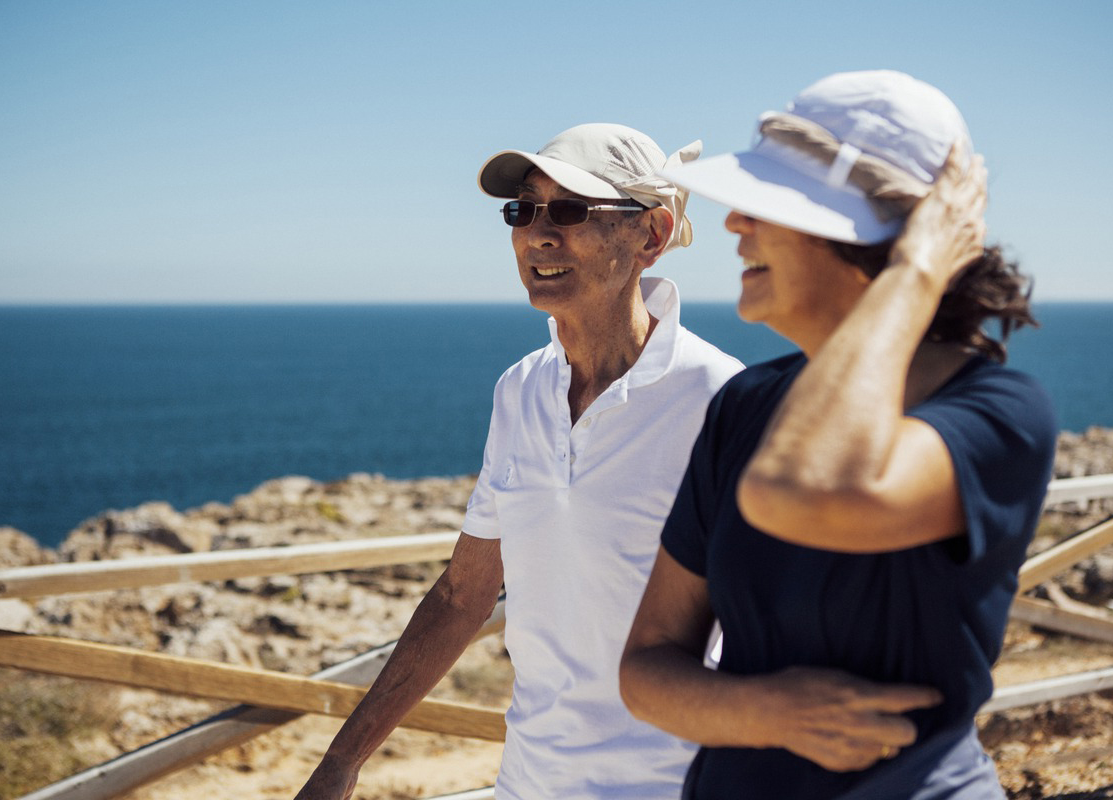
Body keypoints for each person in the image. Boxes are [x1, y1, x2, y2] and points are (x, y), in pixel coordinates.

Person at [620, 70, 1058, 799]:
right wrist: (771, 712)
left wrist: (918, 267)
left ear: (878, 242)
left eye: (770, 207)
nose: (733, 224)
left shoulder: (1000, 411)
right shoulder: (747, 404)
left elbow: (804, 487)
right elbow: (647, 667)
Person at [294, 123, 749, 800]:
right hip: (529, 783)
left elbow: (776, 622)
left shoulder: (720, 400)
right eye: (523, 210)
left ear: (649, 236)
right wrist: (341, 764)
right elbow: (462, 595)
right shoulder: (521, 390)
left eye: (570, 211)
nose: (538, 233)